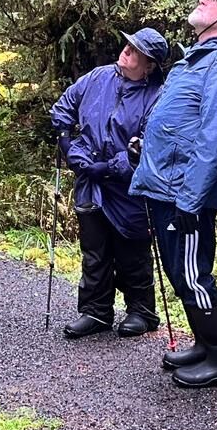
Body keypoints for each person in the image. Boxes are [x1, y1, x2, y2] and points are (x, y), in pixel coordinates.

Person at [129, 0, 217, 389]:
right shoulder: (192, 62)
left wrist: (191, 199)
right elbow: (179, 126)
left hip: (186, 194)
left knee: (193, 274)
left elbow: (215, 137)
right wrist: (145, 150)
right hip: (166, 187)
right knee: (179, 271)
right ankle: (204, 343)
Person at [50, 28, 171, 340]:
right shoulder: (98, 77)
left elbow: (147, 145)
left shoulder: (157, 96)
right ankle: (95, 311)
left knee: (132, 249)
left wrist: (109, 167)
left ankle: (141, 311)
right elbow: (63, 110)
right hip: (89, 181)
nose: (127, 50)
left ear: (150, 65)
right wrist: (70, 148)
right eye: (128, 44)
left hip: (128, 187)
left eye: (137, 50)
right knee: (95, 249)